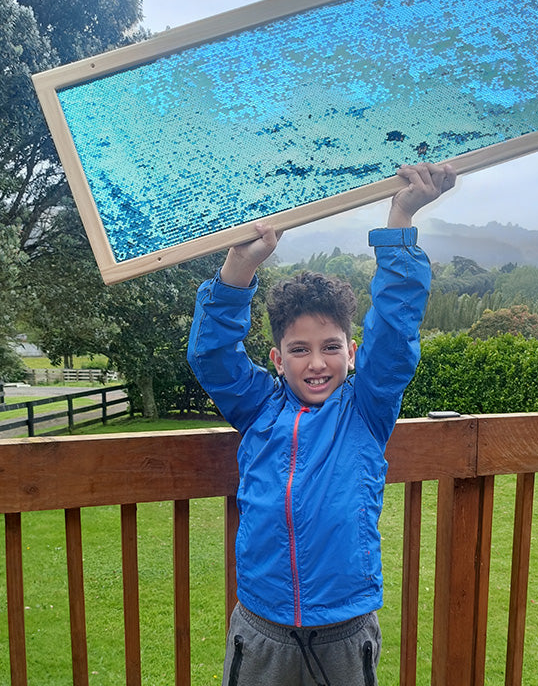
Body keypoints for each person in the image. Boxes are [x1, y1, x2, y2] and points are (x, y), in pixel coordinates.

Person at [187, 162, 456, 686]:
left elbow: (395, 330)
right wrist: (239, 267)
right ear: (277, 358)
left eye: (331, 347)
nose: (316, 363)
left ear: (352, 353)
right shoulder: (258, 408)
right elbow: (211, 354)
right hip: (262, 626)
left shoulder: (367, 410)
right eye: (299, 350)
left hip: (344, 631)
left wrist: (400, 219)